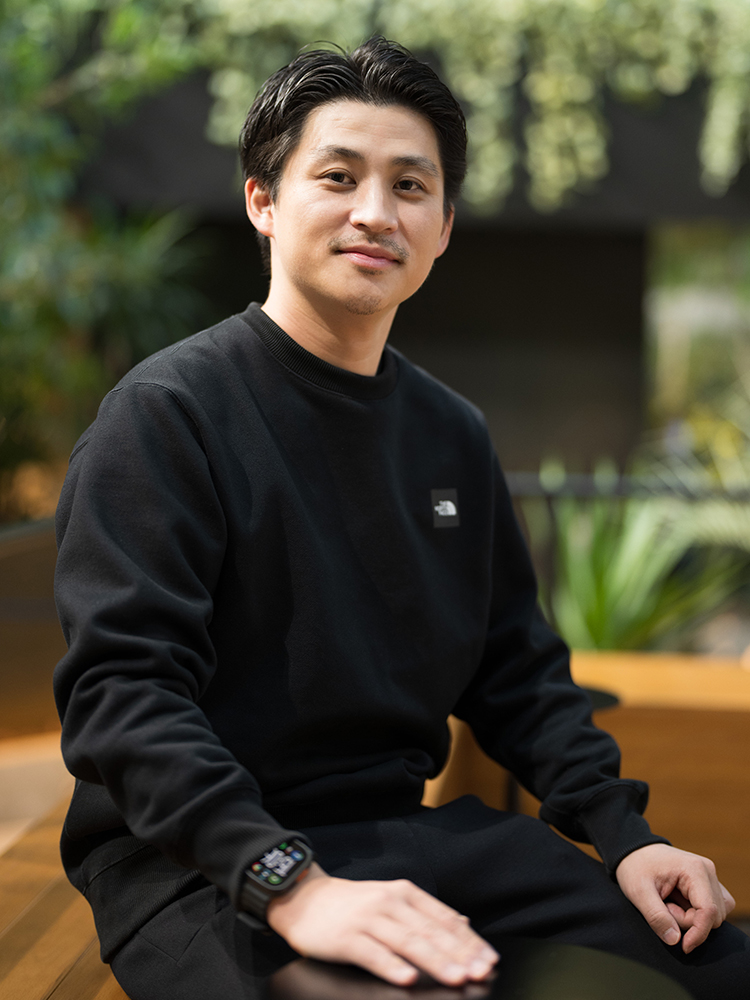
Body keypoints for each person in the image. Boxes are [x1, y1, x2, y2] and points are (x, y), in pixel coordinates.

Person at [53, 37, 748, 1000]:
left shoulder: (450, 432)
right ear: (263, 200)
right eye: (337, 176)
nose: (375, 212)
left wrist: (629, 836)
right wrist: (288, 884)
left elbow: (517, 671)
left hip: (409, 837)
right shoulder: (166, 415)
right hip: (200, 869)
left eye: (410, 187)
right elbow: (121, 698)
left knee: (716, 967)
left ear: (445, 225)